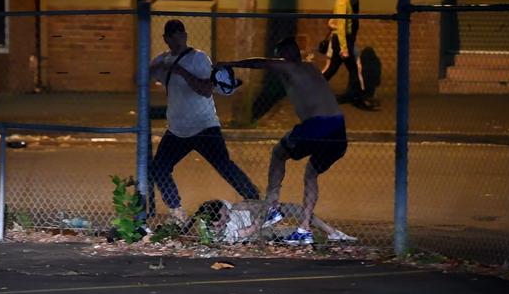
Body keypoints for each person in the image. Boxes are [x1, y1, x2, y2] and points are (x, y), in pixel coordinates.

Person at [215, 37, 348, 245]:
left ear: (285, 53)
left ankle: (273, 209)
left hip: (317, 125)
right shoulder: (311, 68)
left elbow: (260, 63)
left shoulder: (289, 67)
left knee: (278, 153)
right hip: (339, 128)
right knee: (311, 173)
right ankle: (304, 230)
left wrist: (230, 64)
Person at [141, 19, 260, 225]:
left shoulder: (198, 58)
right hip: (178, 129)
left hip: (204, 126)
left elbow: (205, 90)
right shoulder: (162, 60)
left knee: (224, 165)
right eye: (172, 36)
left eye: (180, 35)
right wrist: (156, 68)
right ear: (166, 39)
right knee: (159, 168)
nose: (177, 39)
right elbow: (141, 79)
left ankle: (255, 201)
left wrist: (181, 71)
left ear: (185, 35)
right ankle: (177, 212)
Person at [184, 199, 357, 245]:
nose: (228, 215)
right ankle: (311, 237)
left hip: (254, 215)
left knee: (297, 210)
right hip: (257, 231)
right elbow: (252, 229)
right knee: (291, 233)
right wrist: (263, 215)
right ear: (215, 224)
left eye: (225, 212)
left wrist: (261, 206)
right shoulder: (218, 235)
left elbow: (239, 205)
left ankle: (333, 233)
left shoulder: (213, 209)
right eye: (225, 217)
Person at [322, 0, 377, 111]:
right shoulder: (342, 1)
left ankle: (310, 93)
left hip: (344, 41)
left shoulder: (348, 0)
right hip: (342, 41)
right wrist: (344, 48)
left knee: (332, 69)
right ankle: (359, 100)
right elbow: (341, 24)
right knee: (352, 70)